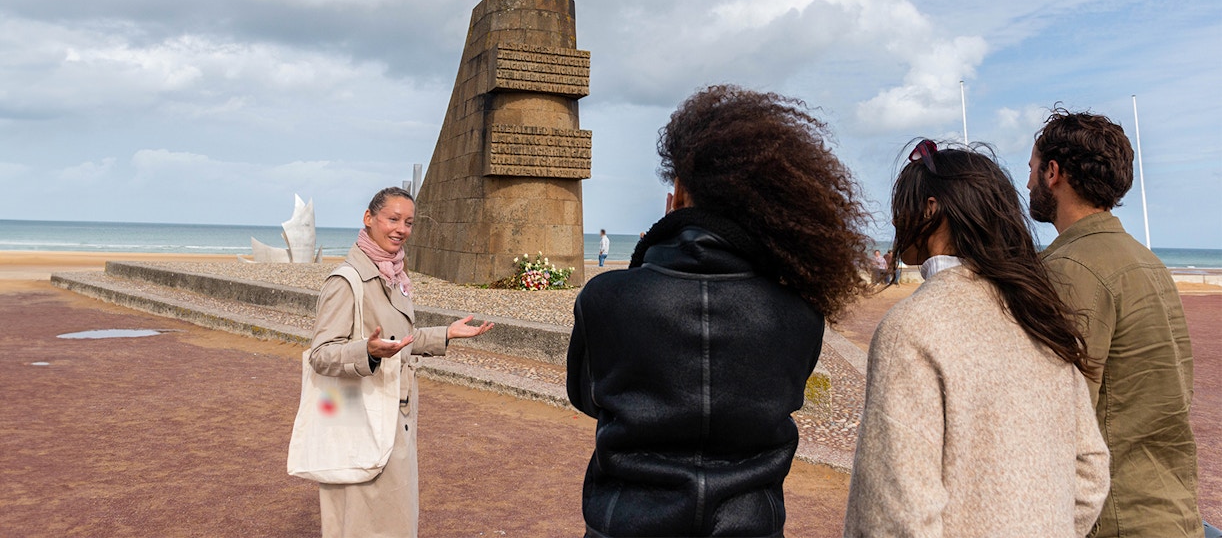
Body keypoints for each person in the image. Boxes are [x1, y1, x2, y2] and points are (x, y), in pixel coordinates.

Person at [567, 85, 871, 537]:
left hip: (625, 523)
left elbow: (587, 397)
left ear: (679, 192)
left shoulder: (605, 298)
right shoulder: (800, 314)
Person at [844, 141, 1109, 537]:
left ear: (931, 210)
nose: (897, 221)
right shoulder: (1039, 316)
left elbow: (893, 514)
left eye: (903, 206)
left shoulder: (913, 327)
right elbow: (1090, 469)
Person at [1028, 109, 1202, 537]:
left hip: (1114, 519)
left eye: (1031, 169)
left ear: (1054, 173)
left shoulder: (1069, 269)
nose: (1027, 183)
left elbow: (1055, 422)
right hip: (1169, 511)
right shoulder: (1149, 262)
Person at [309, 187, 494, 538]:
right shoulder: (348, 281)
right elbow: (321, 354)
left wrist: (446, 334)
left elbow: (397, 341)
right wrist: (367, 352)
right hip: (361, 412)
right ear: (369, 219)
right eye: (392, 219)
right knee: (363, 517)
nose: (401, 229)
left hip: (394, 411)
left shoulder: (393, 276)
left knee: (389, 515)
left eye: (408, 222)